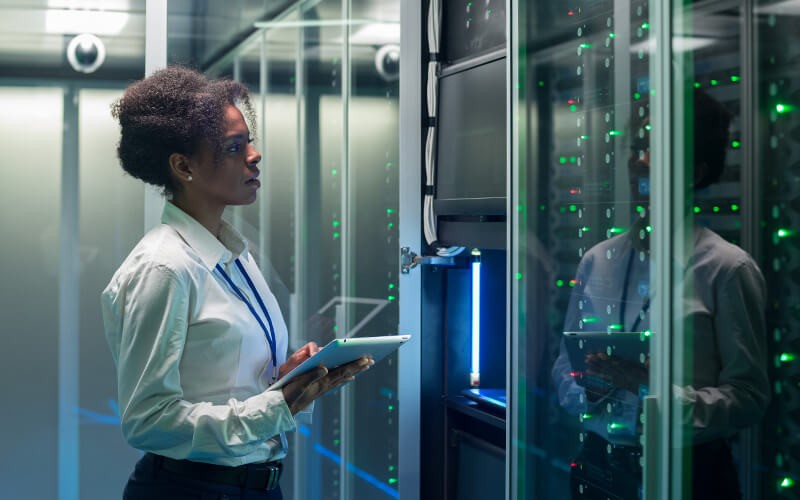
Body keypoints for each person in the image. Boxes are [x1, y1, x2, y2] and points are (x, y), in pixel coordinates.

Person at [101, 65, 373, 499]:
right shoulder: (164, 267)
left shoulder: (233, 253)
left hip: (256, 487)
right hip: (191, 491)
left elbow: (221, 382)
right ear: (182, 166)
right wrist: (277, 406)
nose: (254, 154)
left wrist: (285, 380)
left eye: (250, 140)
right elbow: (148, 421)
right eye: (234, 146)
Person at [551, 89, 770, 499]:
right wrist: (588, 388)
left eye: (652, 148)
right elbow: (564, 366)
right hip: (598, 465)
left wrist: (651, 390)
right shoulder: (598, 260)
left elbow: (749, 398)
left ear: (694, 171)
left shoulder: (726, 268)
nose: (637, 160)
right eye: (636, 147)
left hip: (687, 472)